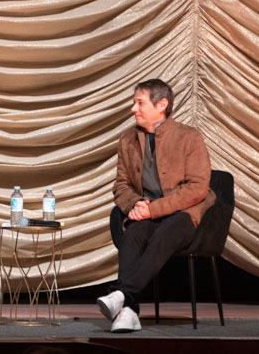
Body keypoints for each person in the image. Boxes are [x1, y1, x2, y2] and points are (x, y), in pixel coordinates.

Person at [97, 79, 216, 332]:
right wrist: (137, 205)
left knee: (164, 233)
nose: (133, 109)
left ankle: (121, 295)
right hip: (146, 213)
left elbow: (197, 187)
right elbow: (121, 185)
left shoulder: (189, 137)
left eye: (139, 103)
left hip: (183, 212)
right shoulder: (128, 139)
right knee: (133, 235)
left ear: (161, 105)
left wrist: (153, 209)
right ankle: (129, 311)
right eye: (134, 103)